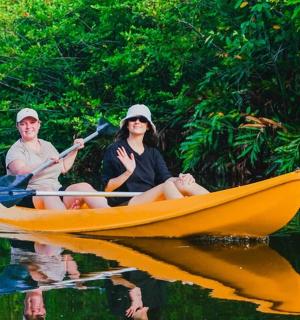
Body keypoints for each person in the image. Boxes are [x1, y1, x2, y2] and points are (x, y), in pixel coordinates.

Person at [102, 104, 209, 207]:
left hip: (150, 201)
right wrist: (128, 172)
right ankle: (189, 213)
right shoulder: (115, 149)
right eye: (133, 119)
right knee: (165, 187)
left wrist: (182, 178)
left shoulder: (153, 153)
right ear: (127, 124)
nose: (137, 122)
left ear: (148, 126)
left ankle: (213, 203)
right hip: (126, 203)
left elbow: (166, 178)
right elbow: (106, 189)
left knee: (183, 183)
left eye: (142, 119)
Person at [6, 108, 109, 210]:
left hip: (55, 190)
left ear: (38, 124)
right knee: (47, 192)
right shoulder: (15, 150)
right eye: (23, 124)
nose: (28, 127)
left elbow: (63, 167)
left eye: (32, 122)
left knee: (83, 187)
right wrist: (44, 164)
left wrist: (74, 150)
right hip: (29, 194)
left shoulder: (48, 145)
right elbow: (20, 171)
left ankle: (109, 216)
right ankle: (66, 220)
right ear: (17, 126)